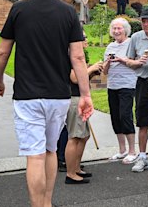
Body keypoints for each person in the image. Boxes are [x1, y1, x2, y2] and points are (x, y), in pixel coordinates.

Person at [0, 0, 93, 207]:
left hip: (27, 96)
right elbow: (78, 57)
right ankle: (47, 202)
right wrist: (86, 94)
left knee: (34, 156)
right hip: (58, 96)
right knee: (50, 151)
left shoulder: (18, 9)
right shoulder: (67, 12)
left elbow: (3, 52)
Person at [64, 34, 104, 184]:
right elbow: (75, 78)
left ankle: (76, 168)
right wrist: (91, 68)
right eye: (83, 38)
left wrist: (93, 71)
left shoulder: (78, 56)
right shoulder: (70, 56)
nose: (86, 40)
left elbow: (82, 78)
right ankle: (70, 173)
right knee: (75, 136)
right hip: (74, 99)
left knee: (84, 136)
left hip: (80, 98)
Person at [124, 6, 148, 173]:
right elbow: (128, 60)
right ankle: (142, 156)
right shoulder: (136, 37)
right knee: (143, 121)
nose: (145, 24)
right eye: (143, 21)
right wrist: (137, 62)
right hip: (143, 81)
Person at [102, 17, 138, 164]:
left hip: (127, 85)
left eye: (119, 28)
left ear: (125, 30)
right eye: (114, 28)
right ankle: (122, 150)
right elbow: (104, 71)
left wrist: (121, 60)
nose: (116, 31)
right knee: (115, 117)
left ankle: (132, 151)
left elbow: (137, 63)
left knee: (125, 115)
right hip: (112, 85)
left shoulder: (131, 43)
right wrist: (108, 62)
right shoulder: (110, 46)